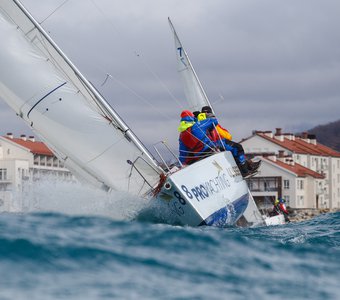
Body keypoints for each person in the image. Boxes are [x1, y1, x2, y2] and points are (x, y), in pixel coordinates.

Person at [199, 106, 260, 177]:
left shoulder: (201, 123)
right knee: (237, 148)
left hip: (214, 143)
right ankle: (245, 170)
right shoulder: (211, 122)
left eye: (207, 112)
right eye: (206, 112)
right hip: (216, 143)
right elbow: (227, 136)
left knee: (235, 150)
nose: (207, 114)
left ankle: (249, 166)